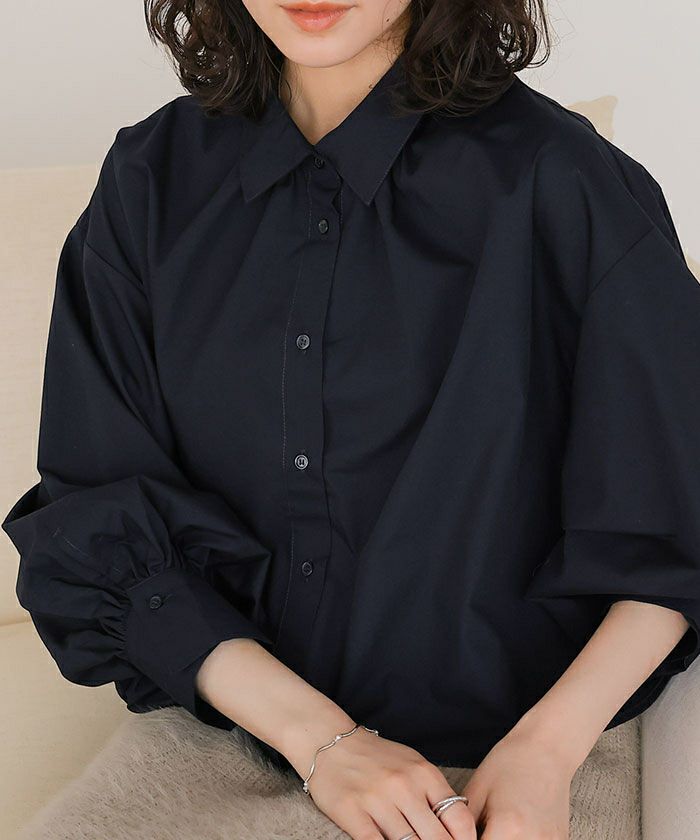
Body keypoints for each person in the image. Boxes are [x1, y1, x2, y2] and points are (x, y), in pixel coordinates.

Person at [3, 1, 700, 838]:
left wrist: (544, 753)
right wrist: (323, 742)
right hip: (230, 734)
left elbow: (676, 528)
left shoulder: (565, 181)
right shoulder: (150, 180)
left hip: (513, 760)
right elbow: (96, 509)